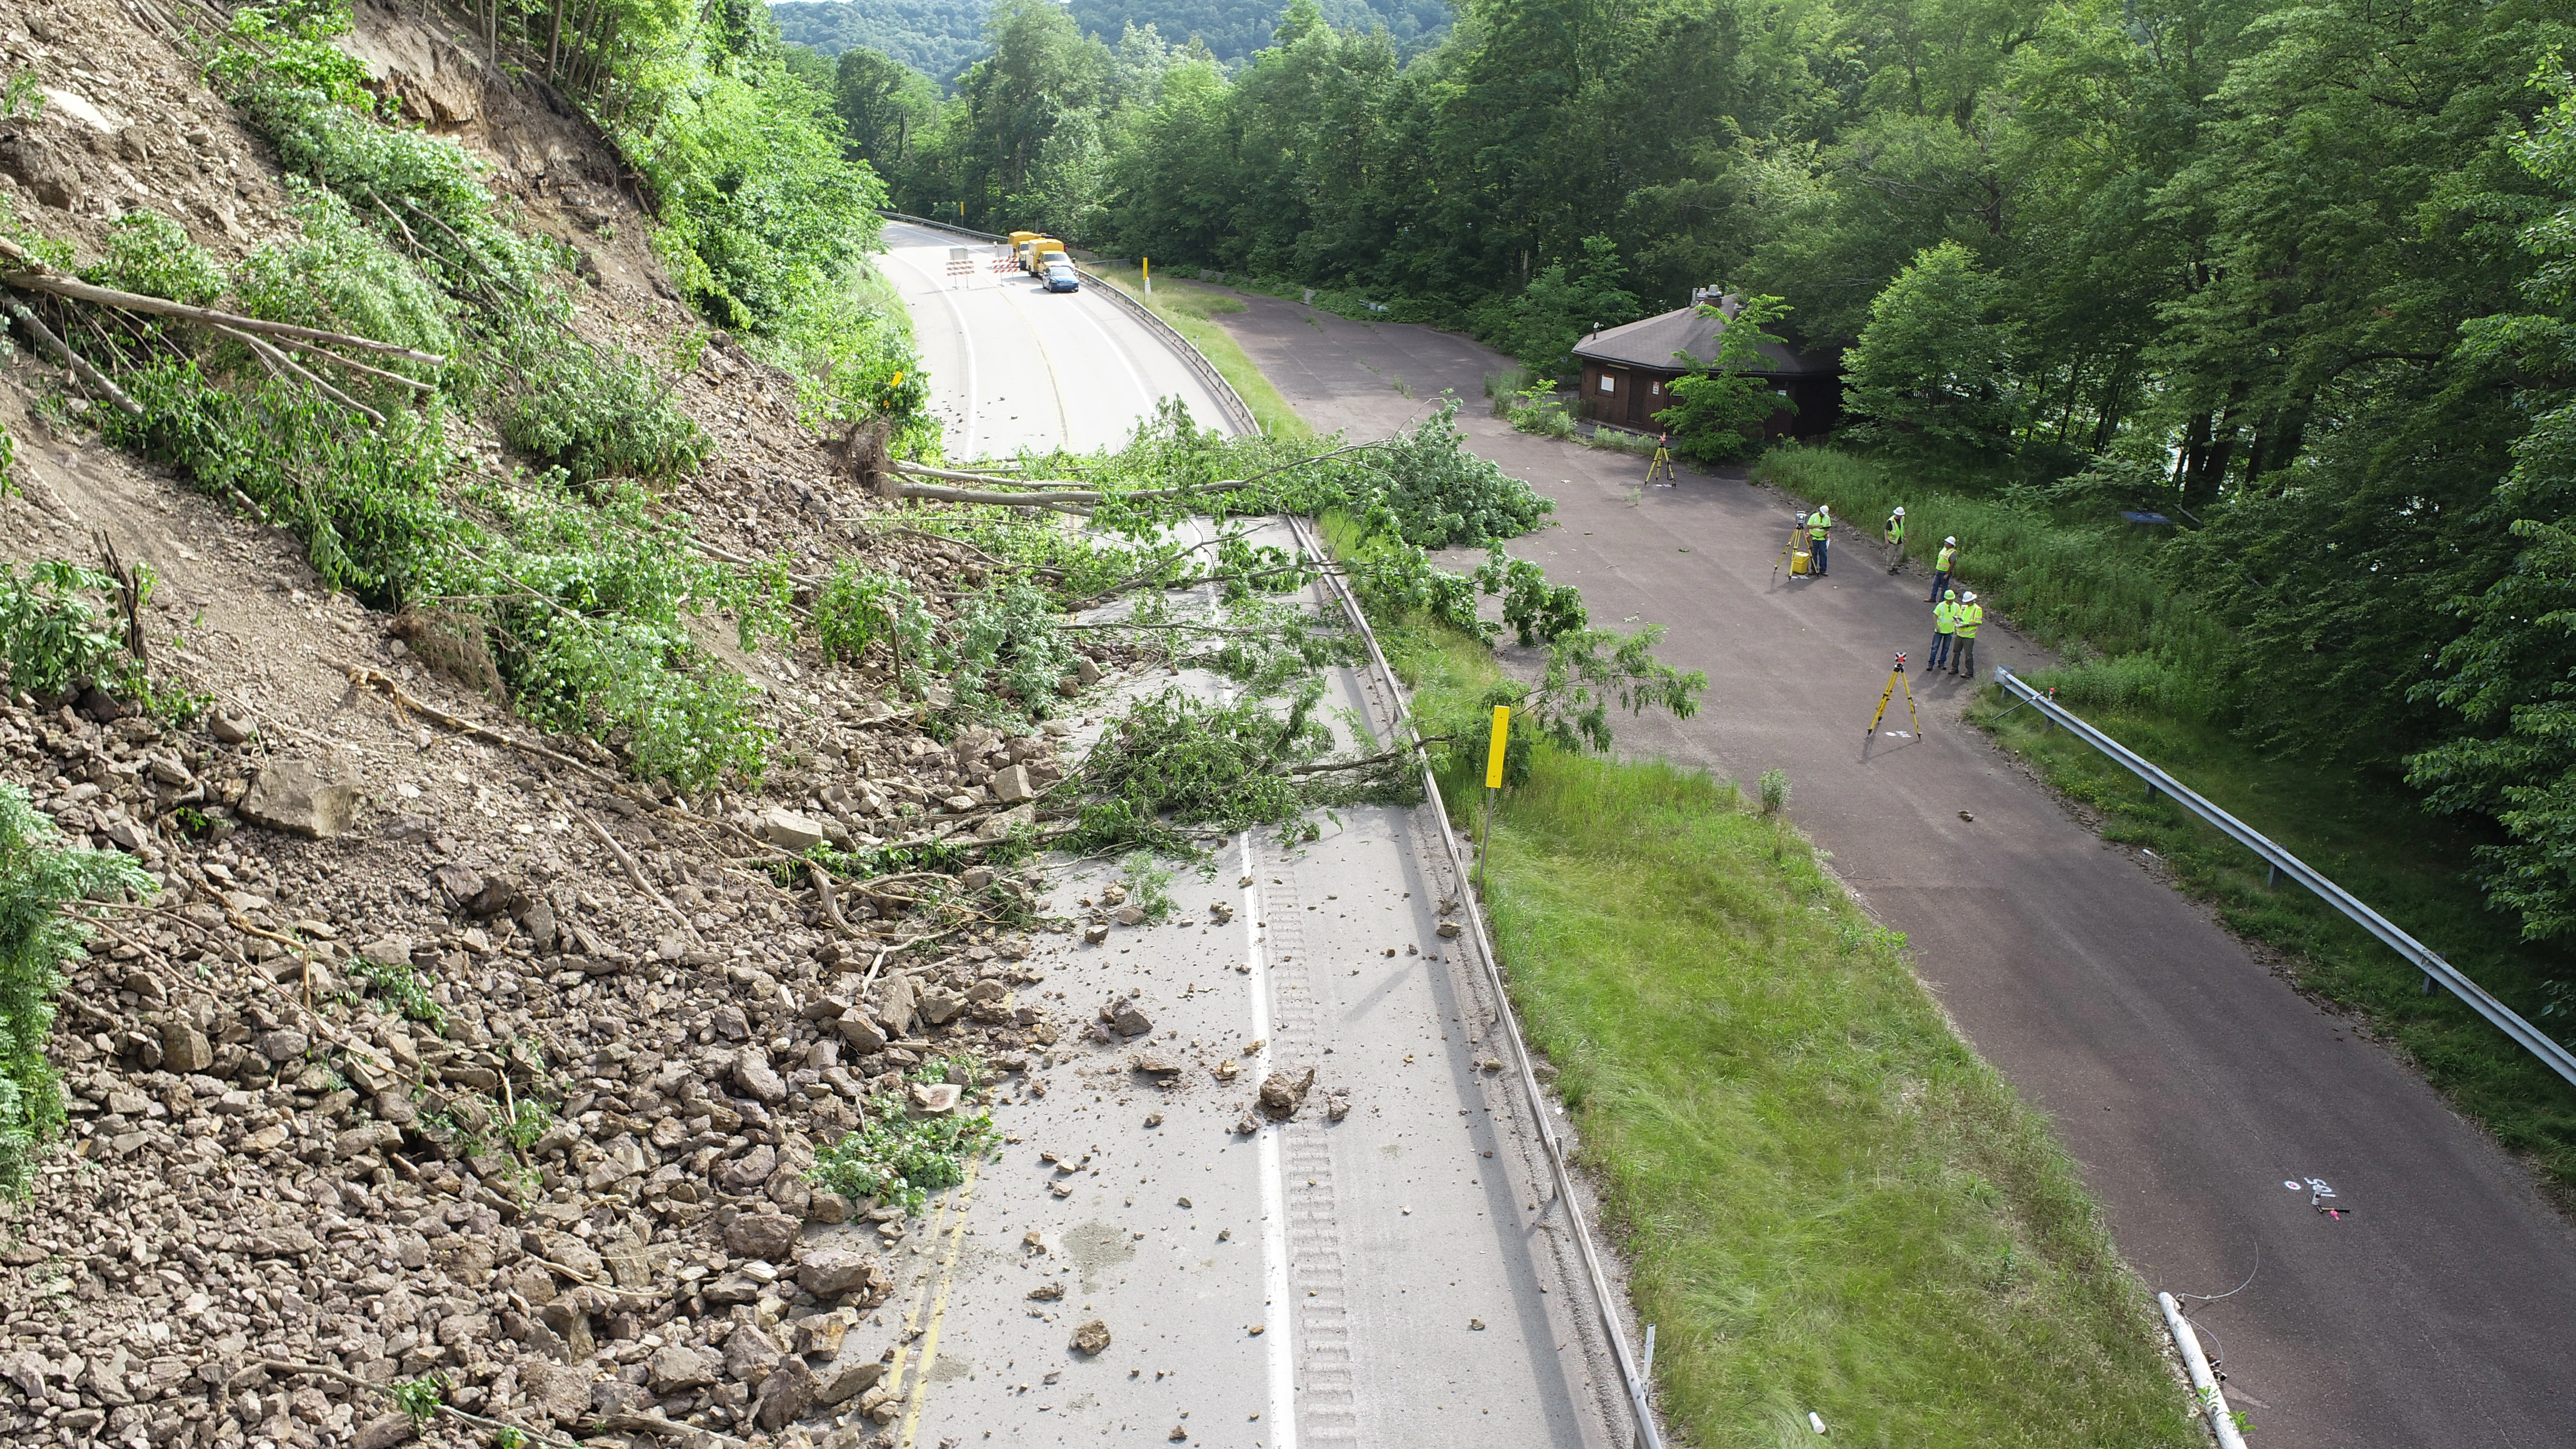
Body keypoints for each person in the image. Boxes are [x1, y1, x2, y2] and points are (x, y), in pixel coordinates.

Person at [1952, 590, 1983, 677]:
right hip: (1959, 634)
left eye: (1968, 602)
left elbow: (1979, 622)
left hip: (1969, 636)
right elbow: (1960, 617)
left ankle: (1969, 672)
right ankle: (1954, 668)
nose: (1967, 603)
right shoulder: (1964, 607)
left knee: (1968, 655)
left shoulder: (1977, 609)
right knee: (1956, 652)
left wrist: (1967, 625)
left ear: (1973, 601)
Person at [1928, 589, 1958, 673]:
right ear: (1946, 599)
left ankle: (1942, 663)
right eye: (1949, 600)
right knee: (1935, 647)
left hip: (1950, 631)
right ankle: (1931, 664)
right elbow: (1935, 616)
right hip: (1940, 630)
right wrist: (1937, 626)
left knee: (1946, 648)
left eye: (1951, 600)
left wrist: (1957, 628)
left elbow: (1958, 618)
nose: (1950, 601)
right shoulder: (1941, 606)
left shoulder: (1956, 607)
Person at [1927, 537, 1957, 602]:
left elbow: (1953, 564)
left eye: (1947, 543)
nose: (1945, 543)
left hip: (1945, 572)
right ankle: (1933, 598)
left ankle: (1942, 601)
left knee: (1944, 588)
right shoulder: (1944, 550)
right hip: (1939, 571)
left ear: (1950, 544)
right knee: (1935, 585)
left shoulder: (1953, 553)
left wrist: (1948, 574)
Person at [1805, 504, 1832, 578]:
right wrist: (1817, 526)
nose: (1823, 515)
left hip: (1823, 539)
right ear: (1820, 511)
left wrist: (1826, 529)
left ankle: (1823, 570)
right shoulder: (1814, 517)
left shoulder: (1827, 518)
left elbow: (1829, 527)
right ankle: (1814, 569)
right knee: (1813, 554)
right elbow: (1808, 526)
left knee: (1823, 554)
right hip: (1814, 538)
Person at [1884, 506, 1905, 572]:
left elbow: (1902, 529)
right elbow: (1886, 531)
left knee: (1900, 554)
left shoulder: (1902, 519)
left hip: (1900, 541)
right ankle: (1889, 568)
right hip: (1892, 542)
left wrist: (1904, 536)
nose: (1901, 517)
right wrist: (1887, 541)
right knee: (1891, 556)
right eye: (1900, 516)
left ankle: (1895, 566)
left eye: (1902, 515)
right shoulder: (1891, 521)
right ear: (1897, 515)